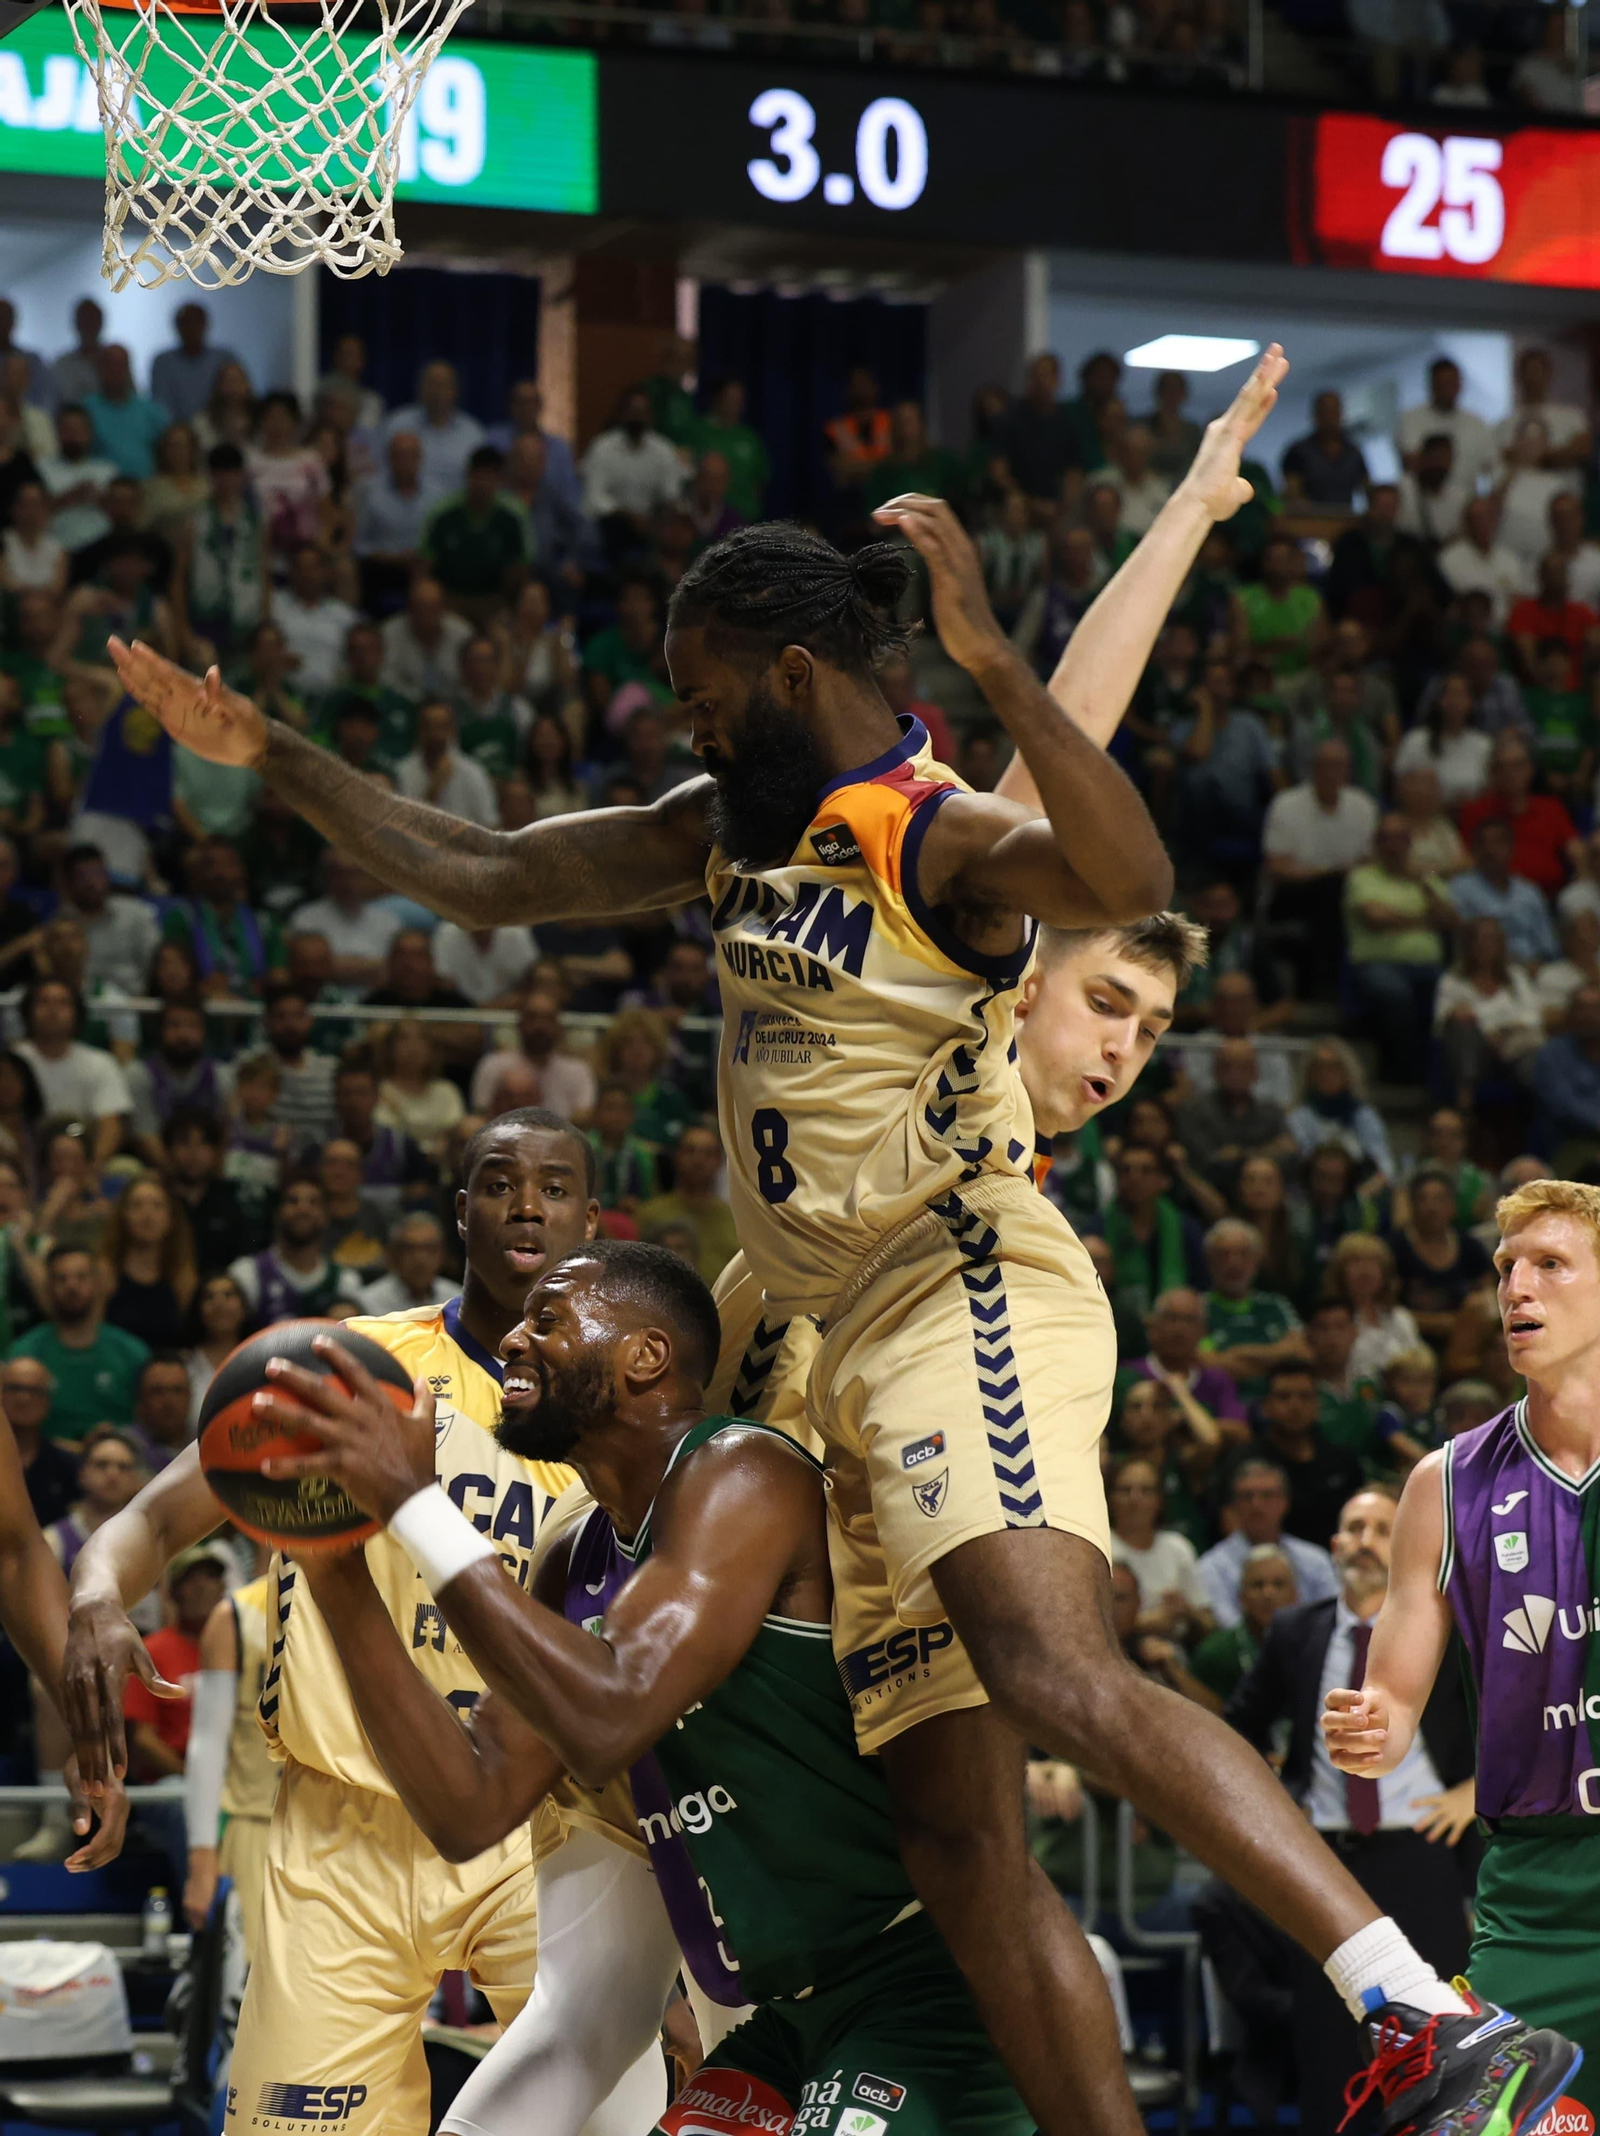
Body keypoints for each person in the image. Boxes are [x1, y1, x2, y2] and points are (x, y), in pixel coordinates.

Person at [107, 350, 1544, 2136]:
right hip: (811, 1323)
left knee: (1052, 1667)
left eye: (707, 695)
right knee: (946, 1830)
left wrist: (1027, 635)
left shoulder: (932, 841)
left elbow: (1106, 854)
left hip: (951, 1279)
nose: (686, 723)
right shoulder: (728, 834)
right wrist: (277, 758)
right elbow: (488, 875)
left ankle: (1422, 2013)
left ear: (793, 676)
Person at [245, 1238, 1037, 2136]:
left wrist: (409, 1502)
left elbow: (611, 1715)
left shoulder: (742, 1471)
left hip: (922, 1989)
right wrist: (338, 1575)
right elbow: (470, 1807)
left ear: (646, 1357)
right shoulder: (572, 1552)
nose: (512, 1339)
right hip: (786, 2021)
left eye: (548, 1319)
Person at [61, 1111, 668, 2136]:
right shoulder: (345, 1365)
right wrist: (92, 1596)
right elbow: (153, 1519)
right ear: (458, 1208)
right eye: (499, 1182)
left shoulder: (616, 1412)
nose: (527, 1203)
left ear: (592, 1220)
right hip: (339, 1832)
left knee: (626, 2120)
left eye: (555, 1186)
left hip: (542, 1830)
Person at [1326, 1180, 1600, 2115]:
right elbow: (1395, 1701)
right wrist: (1375, 1726)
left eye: (1550, 1265)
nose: (1517, 1288)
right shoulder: (1445, 1483)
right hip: (1533, 1892)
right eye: (1506, 1269)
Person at [1234, 1486, 1478, 2136]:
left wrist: (1473, 1791)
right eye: (1354, 1527)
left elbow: (1513, 1717)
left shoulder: (1448, 1626)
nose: (1366, 1539)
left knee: (1438, 2040)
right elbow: (1237, 1730)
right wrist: (1275, 1800)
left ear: (1402, 1546)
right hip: (1324, 1860)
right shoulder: (1297, 1630)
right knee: (1326, 2046)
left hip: (1422, 1851)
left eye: (1381, 1528)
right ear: (1335, 1545)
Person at [182, 1559, 278, 1956]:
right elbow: (207, 1743)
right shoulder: (235, 1617)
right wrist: (202, 1860)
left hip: (355, 1830)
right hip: (257, 1828)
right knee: (256, 1999)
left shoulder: (375, 1606)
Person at [9, 1244, 150, 1442]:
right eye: (61, 1279)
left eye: (81, 1277)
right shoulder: (25, 1353)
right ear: (48, 1287)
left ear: (98, 1283)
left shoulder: (132, 1352)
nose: (71, 1286)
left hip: (118, 1461)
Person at [122, 1539, 229, 1783]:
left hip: (237, 1773)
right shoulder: (152, 1651)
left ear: (223, 1587)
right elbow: (143, 1740)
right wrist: (195, 1779)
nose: (202, 1587)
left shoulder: (245, 1648)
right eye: (190, 1580)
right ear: (174, 1593)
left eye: (210, 1577)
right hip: (173, 1778)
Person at [1198, 1457, 1340, 1625]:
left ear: (1284, 1502)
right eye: (1247, 1496)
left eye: (1267, 1495)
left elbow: (1333, 1617)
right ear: (1234, 1505)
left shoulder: (1315, 1559)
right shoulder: (1212, 1566)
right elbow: (1227, 1625)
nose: (1257, 1504)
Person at [14, 977, 131, 1166]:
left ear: (77, 1013)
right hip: (23, 1159)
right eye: (43, 1002)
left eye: (63, 1003)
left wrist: (92, 1167)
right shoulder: (12, 1062)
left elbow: (111, 1126)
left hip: (83, 1158)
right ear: (28, 1011)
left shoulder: (101, 1063)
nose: (53, 1010)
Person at [226, 1175, 365, 1330]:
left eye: (313, 1202)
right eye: (293, 1201)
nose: (303, 1209)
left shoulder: (345, 1281)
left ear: (326, 1216)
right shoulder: (247, 1274)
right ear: (277, 1213)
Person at [1200, 1216, 1306, 1402]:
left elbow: (1302, 1353)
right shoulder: (1197, 1308)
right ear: (1210, 1261)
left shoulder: (1276, 1305)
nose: (1234, 1263)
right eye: (1223, 1254)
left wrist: (1239, 1353)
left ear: (1256, 1260)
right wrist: (1275, 1358)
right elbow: (1203, 1364)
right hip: (1219, 1404)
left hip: (1275, 1408)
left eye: (1243, 1254)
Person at [1189, 1542, 1298, 1706]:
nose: (1268, 1594)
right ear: (1241, 1597)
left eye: (1278, 1584)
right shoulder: (1214, 1654)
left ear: (1295, 1596)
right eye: (1257, 1585)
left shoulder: (1313, 1648)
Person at [635, 1120, 738, 1285]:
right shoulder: (650, 1214)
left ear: (719, 1160)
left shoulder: (736, 1219)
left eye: (708, 1153)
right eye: (690, 1151)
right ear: (676, 1156)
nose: (698, 1160)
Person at [1449, 816, 1560, 969]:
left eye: (1498, 843)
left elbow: (1548, 945)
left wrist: (1538, 965)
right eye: (1483, 844)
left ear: (1511, 848)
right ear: (1474, 850)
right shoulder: (1459, 888)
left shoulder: (1529, 892)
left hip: (1533, 971)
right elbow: (1463, 941)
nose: (1490, 850)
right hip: (1484, 971)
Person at [102, 1175, 196, 1353]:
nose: (147, 1215)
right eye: (136, 1206)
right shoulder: (106, 1271)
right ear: (123, 1216)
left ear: (170, 1218)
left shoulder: (183, 1276)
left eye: (157, 1206)